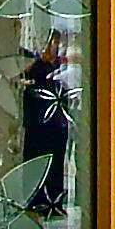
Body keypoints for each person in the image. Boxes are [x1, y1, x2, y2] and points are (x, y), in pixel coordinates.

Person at [24, 32, 74, 216]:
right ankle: (39, 201)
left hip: (56, 126)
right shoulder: (37, 70)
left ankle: (53, 201)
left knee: (56, 165)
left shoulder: (60, 70)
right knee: (39, 164)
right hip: (41, 126)